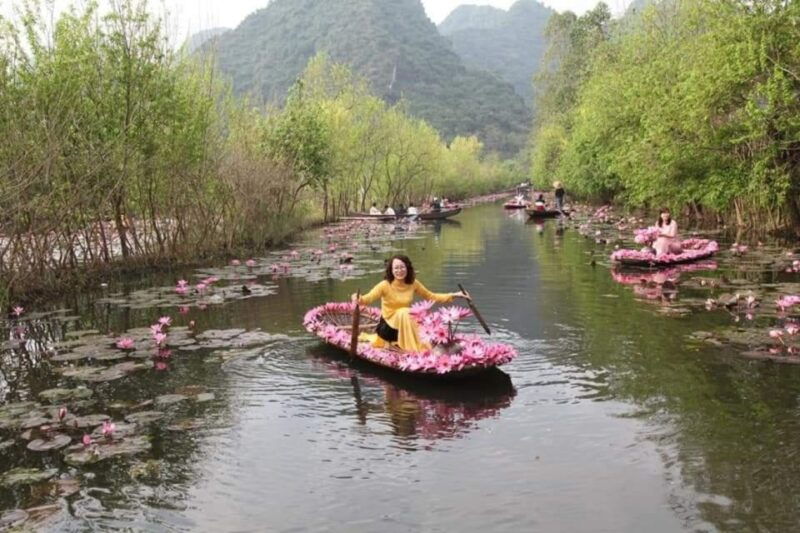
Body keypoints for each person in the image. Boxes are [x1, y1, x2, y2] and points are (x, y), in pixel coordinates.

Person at [352, 255, 470, 352]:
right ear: (391, 271)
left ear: (407, 268)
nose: (399, 271)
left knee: (414, 314)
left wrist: (454, 295)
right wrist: (358, 298)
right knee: (406, 311)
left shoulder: (413, 283)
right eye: (396, 268)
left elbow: (431, 296)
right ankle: (414, 349)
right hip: (388, 328)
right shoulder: (384, 285)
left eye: (402, 267)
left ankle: (431, 345)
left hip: (406, 322)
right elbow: (368, 298)